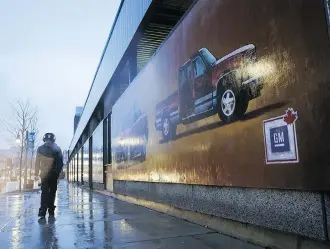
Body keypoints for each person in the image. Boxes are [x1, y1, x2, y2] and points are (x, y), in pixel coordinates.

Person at [35, 133, 63, 218]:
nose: (48, 142)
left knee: (48, 192)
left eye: (49, 140)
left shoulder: (43, 149)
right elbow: (60, 162)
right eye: (47, 140)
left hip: (49, 174)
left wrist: (37, 173)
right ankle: (48, 210)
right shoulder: (56, 149)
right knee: (48, 192)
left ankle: (46, 210)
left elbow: (60, 162)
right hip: (49, 175)